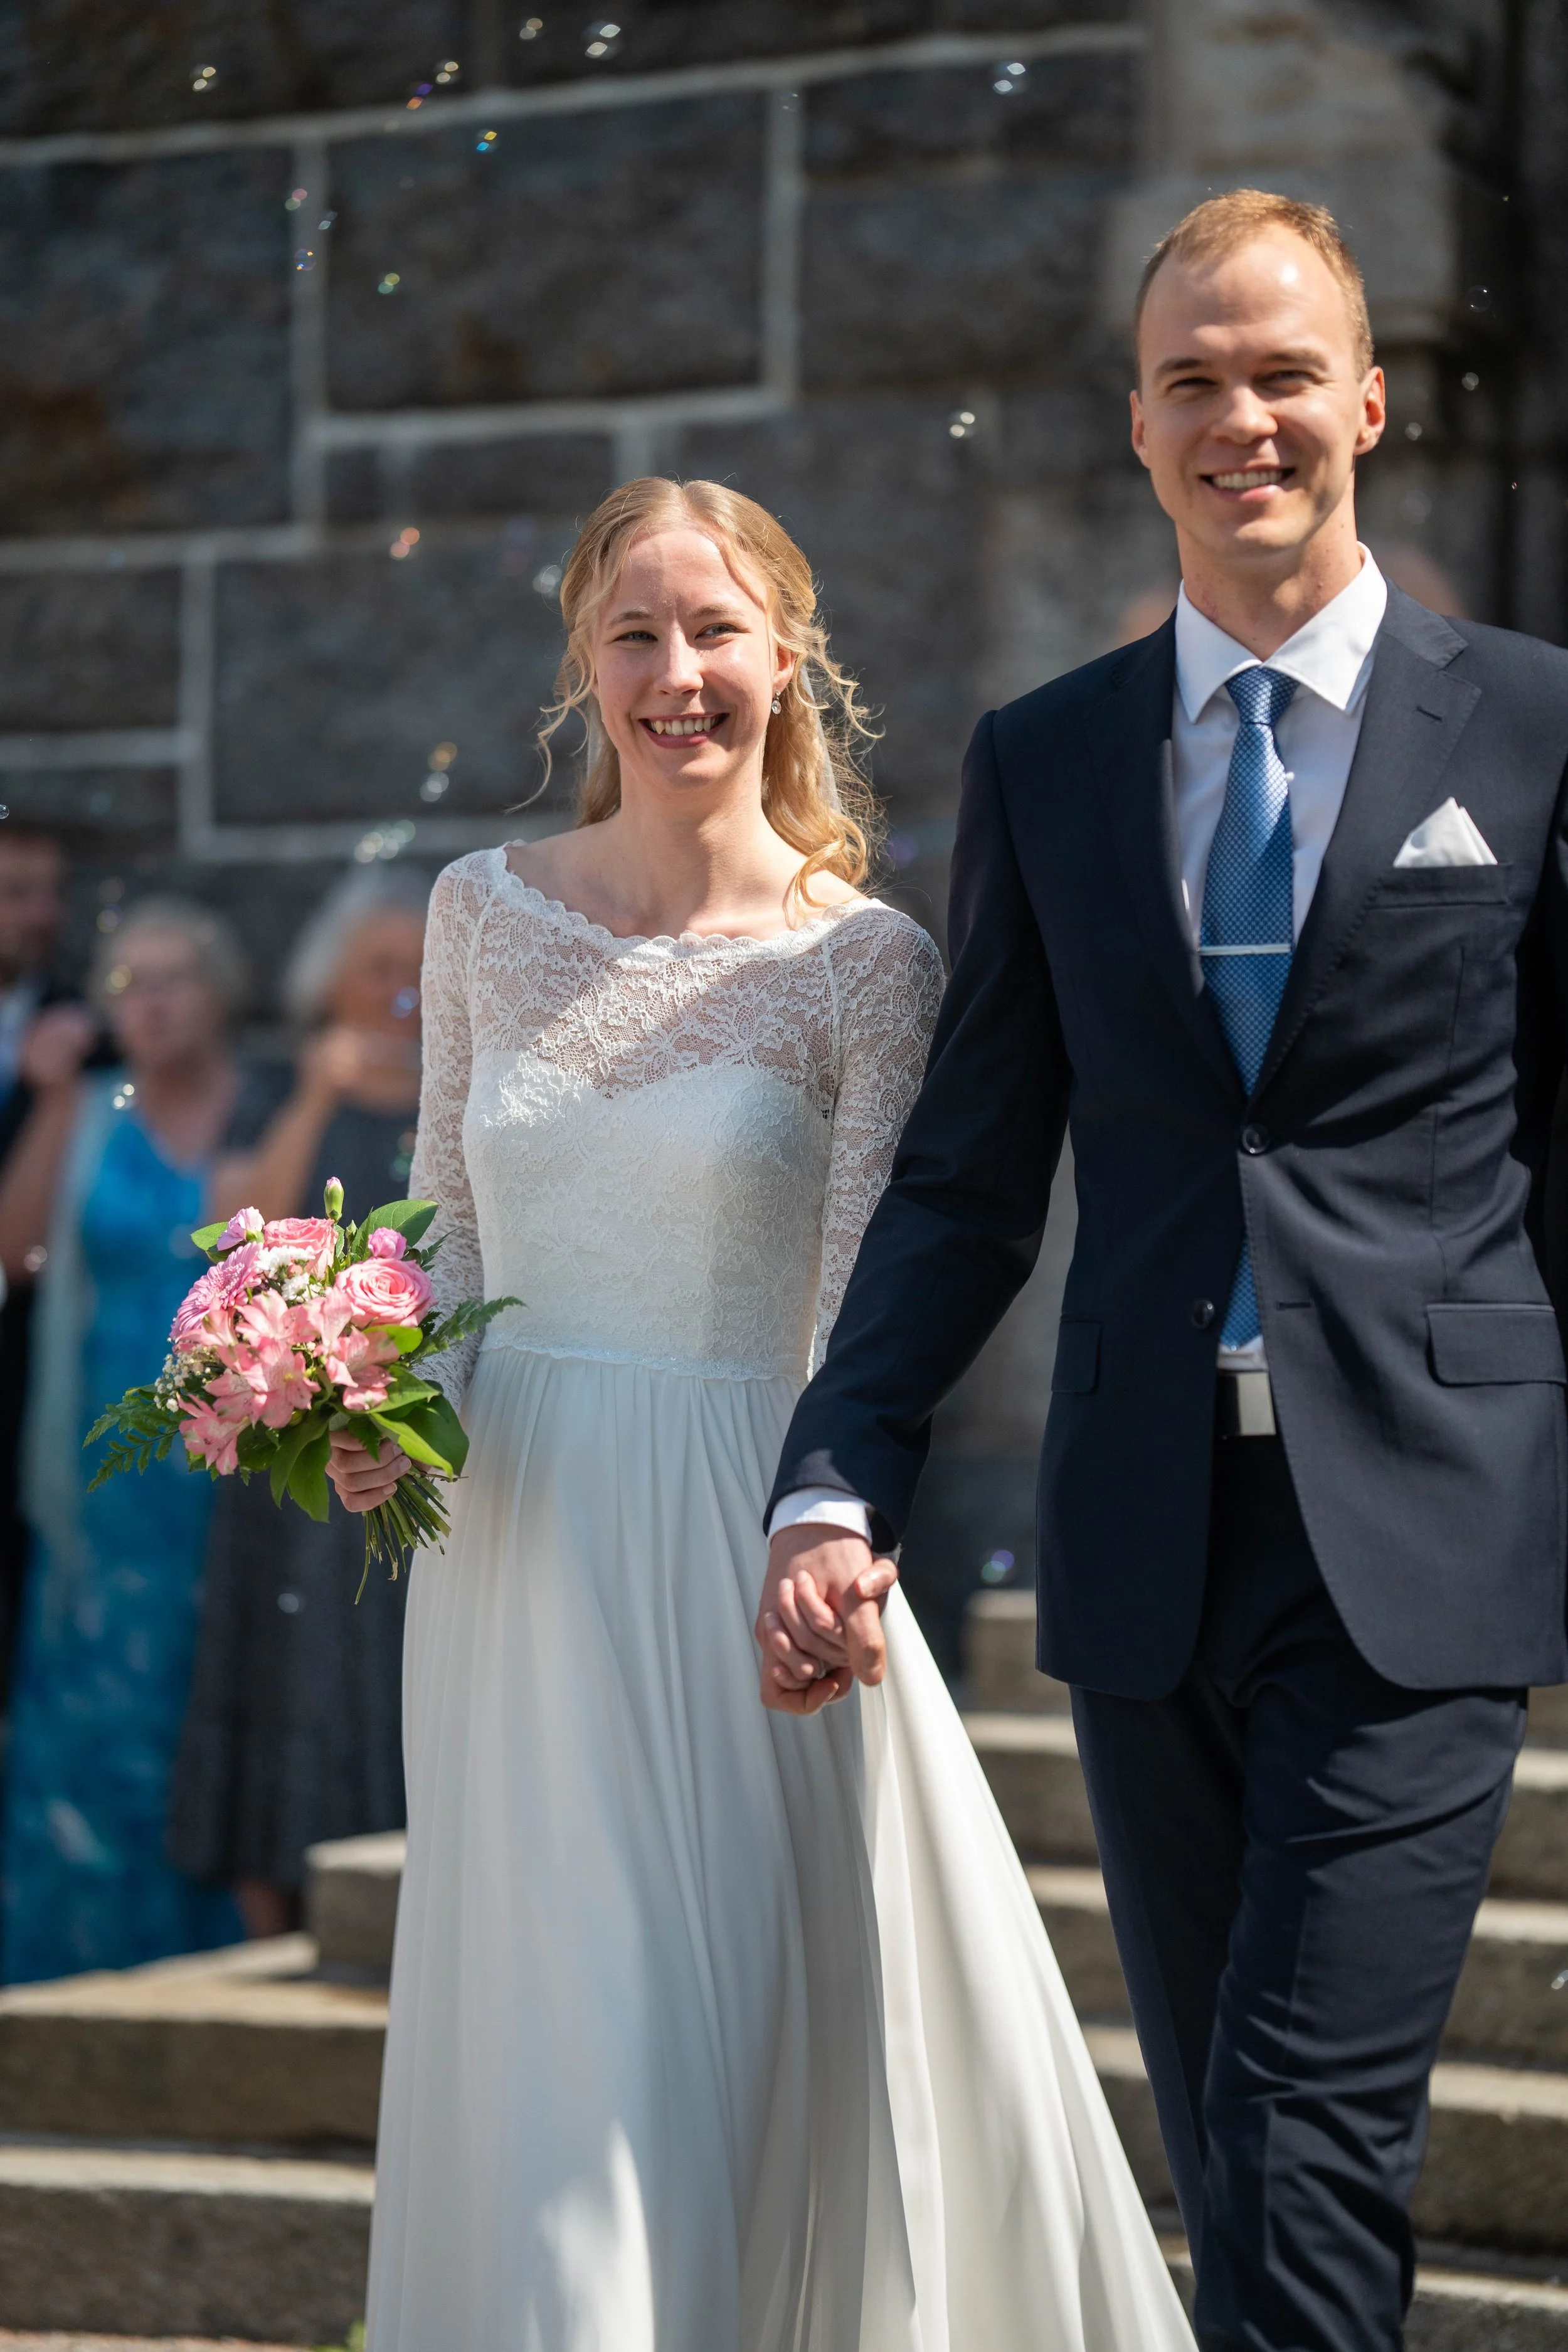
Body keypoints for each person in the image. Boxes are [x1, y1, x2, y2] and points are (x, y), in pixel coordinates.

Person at [762, 189, 1568, 2352]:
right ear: (1138, 426)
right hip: (1141, 1543)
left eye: (1285, 373)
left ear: (1371, 401)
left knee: (1305, 2119)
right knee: (1232, 2138)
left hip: (1419, 1526)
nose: (1246, 421)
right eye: (1196, 382)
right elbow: (965, 1175)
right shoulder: (1044, 758)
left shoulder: (1536, 728)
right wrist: (840, 1476)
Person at [329, 478, 1195, 2349]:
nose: (675, 674)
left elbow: (867, 1313)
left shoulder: (861, 961)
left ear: (786, 657)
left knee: (688, 2033)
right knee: (555, 2043)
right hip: (514, 1549)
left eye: (714, 629)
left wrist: (831, 1528)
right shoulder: (477, 913)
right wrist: (372, 1402)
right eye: (633, 633)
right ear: (583, 663)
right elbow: (447, 1236)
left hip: (739, 1541)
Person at [0, 899, 277, 1984]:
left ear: (221, 994)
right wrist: (54, 1095)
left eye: (173, 979)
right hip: (104, 1448)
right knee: (94, 1686)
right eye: (128, 982)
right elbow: (13, 1251)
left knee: (203, 1674)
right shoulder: (95, 1112)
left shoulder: (264, 1108)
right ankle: (67, 1965)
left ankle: (205, 1961)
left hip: (231, 1445)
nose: (149, 1003)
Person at [167, 869, 427, 1939]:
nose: (399, 989)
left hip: (403, 1446)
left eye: (417, 968)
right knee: (284, 1667)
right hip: (292, 1451)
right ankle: (278, 1918)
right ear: (331, 982)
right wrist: (321, 1094)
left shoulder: (459, 1086)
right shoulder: (284, 1088)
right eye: (377, 968)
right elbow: (232, 1229)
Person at [0, 826, 87, 1700]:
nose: (40, 914)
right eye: (14, 891)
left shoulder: (86, 1034)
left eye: (48, 892)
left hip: (26, 1367)